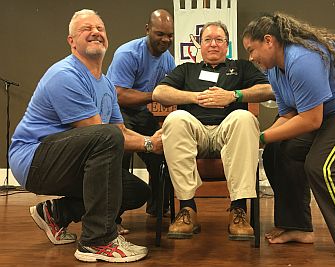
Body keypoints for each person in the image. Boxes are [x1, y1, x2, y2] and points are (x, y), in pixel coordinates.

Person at [9, 9, 163, 263]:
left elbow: (121, 132)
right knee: (105, 136)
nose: (95, 32)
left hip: (67, 159)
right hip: (33, 160)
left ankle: (56, 213)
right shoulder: (65, 75)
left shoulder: (105, 85)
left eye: (100, 29)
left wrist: (157, 138)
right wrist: (151, 144)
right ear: (71, 41)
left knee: (135, 191)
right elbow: (103, 134)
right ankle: (96, 241)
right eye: (86, 29)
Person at [242, 12, 335, 259]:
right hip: (333, 110)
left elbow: (312, 120)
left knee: (323, 166)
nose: (251, 58)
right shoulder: (274, 71)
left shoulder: (302, 59)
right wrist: (265, 139)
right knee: (278, 151)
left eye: (252, 50)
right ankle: (297, 227)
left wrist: (259, 138)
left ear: (268, 41)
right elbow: (290, 114)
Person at [152, 21, 274, 240]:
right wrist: (195, 97)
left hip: (228, 133)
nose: (213, 44)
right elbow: (159, 92)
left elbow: (269, 89)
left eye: (219, 40)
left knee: (244, 117)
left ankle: (238, 210)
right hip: (195, 133)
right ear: (200, 45)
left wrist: (234, 95)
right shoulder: (187, 69)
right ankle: (187, 209)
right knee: (176, 118)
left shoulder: (242, 67)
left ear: (227, 45)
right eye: (207, 40)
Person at [106, 9, 175, 222]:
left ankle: (157, 207)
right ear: (147, 30)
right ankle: (112, 219)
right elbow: (119, 95)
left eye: (170, 35)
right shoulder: (128, 54)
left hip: (140, 113)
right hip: (114, 111)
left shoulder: (168, 60)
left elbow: (171, 91)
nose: (165, 39)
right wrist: (155, 96)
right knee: (121, 151)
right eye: (160, 34)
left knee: (163, 149)